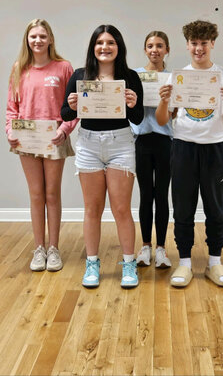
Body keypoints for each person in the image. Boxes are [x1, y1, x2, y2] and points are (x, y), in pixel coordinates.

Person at [155, 20, 223, 288]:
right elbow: (161, 121)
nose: (199, 48)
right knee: (182, 207)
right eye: (194, 43)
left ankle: (215, 262)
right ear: (187, 45)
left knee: (215, 207)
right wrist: (165, 99)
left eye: (204, 43)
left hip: (215, 148)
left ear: (212, 44)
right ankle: (184, 264)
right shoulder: (178, 77)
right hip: (183, 147)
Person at [60, 24, 144, 288]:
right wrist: (72, 105)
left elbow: (138, 118)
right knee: (92, 209)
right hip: (89, 144)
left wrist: (132, 104)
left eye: (110, 43)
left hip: (121, 143)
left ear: (118, 47)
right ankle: (92, 264)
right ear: (92, 47)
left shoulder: (129, 77)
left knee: (121, 209)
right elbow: (65, 114)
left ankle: (129, 265)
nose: (105, 47)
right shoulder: (80, 75)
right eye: (100, 42)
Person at [6, 19, 77, 272]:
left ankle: (54, 248)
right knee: (36, 195)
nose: (38, 41)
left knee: (51, 194)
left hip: (54, 138)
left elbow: (74, 108)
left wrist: (64, 129)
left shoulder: (63, 67)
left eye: (42, 36)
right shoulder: (19, 69)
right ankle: (39, 248)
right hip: (27, 140)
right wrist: (9, 132)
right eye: (33, 36)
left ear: (50, 40)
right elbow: (12, 110)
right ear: (27, 39)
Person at [131, 31, 173, 269]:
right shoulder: (135, 76)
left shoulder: (172, 78)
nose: (154, 50)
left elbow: (175, 113)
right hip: (142, 140)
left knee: (162, 195)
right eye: (150, 45)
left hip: (166, 140)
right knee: (146, 194)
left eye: (159, 46)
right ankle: (145, 246)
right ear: (145, 49)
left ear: (167, 50)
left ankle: (161, 249)